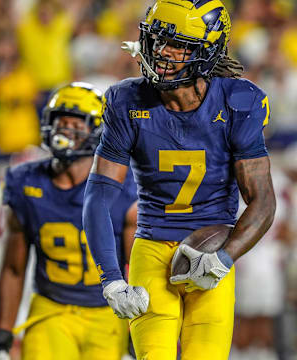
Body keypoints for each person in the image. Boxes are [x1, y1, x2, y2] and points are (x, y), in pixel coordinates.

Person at [82, 1, 276, 359]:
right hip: (152, 248)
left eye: (180, 45)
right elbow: (99, 196)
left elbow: (263, 201)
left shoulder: (238, 102)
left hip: (211, 252)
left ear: (206, 51)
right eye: (158, 40)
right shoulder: (127, 100)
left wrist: (225, 257)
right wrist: (111, 279)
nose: (163, 53)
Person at [0, 82, 138, 360]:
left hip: (108, 314)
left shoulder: (124, 187)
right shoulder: (26, 183)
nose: (64, 131)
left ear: (96, 129)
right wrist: (1, 338)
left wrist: (137, 337)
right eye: (60, 121)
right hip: (51, 309)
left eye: (75, 123)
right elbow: (12, 268)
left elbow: (137, 271)